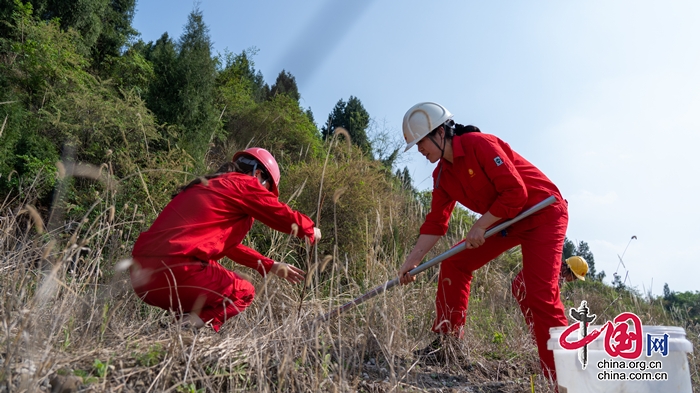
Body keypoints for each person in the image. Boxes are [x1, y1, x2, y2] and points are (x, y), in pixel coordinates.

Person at [397, 102, 569, 382]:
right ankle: (447, 346)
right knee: (455, 262)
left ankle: (565, 378)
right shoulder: (442, 175)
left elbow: (516, 192)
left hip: (542, 211)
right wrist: (412, 260)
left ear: (440, 133)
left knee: (539, 293)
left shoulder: (479, 144)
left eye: (421, 142)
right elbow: (436, 223)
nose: (419, 150)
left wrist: (480, 225)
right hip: (505, 219)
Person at [129, 147, 321, 332]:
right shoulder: (245, 184)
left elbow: (228, 246)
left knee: (202, 294)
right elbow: (282, 215)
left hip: (140, 275)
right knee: (243, 292)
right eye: (267, 190)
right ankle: (179, 331)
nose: (265, 195)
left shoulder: (208, 185)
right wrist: (310, 229)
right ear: (259, 176)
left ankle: (172, 336)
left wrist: (269, 265)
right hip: (177, 271)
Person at [512, 255, 589, 329]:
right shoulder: (555, 273)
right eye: (574, 277)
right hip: (523, 290)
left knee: (539, 323)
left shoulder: (558, 269)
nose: (573, 280)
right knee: (536, 323)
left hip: (525, 288)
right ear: (569, 269)